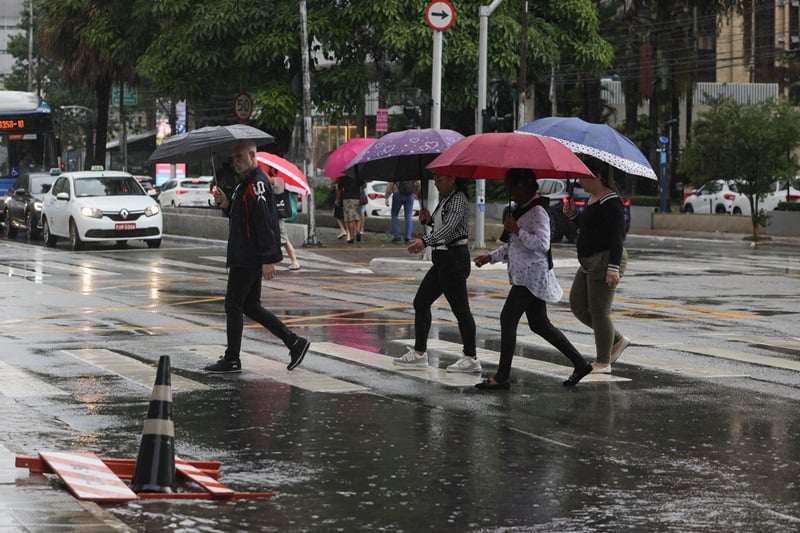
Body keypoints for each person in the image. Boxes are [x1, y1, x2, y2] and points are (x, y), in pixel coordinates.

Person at [473, 169, 593, 390]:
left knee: (507, 319)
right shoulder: (521, 209)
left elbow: (543, 244)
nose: (508, 190)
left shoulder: (538, 211)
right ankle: (580, 363)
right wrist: (490, 257)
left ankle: (502, 377)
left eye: (510, 185)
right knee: (540, 324)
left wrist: (517, 229)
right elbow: (513, 246)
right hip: (525, 275)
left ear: (521, 186)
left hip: (532, 277)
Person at [205, 140, 310, 373]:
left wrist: (267, 259)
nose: (235, 162)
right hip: (246, 253)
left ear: (253, 156)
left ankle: (232, 358)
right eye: (233, 158)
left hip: (249, 255)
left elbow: (266, 223)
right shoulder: (247, 183)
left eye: (239, 157)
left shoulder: (258, 184)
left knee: (233, 304)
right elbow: (244, 216)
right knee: (250, 306)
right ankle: (294, 342)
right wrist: (227, 203)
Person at [394, 174, 480, 373]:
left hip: (454, 260)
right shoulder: (447, 198)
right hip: (443, 260)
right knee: (421, 302)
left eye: (440, 180)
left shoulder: (459, 199)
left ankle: (471, 357)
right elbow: (445, 224)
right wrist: (430, 220)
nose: (436, 183)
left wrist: (425, 241)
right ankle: (419, 353)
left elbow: (450, 229)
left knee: (461, 310)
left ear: (453, 179)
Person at [563, 160, 631, 374]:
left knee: (600, 311)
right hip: (589, 261)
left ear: (599, 176)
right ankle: (617, 340)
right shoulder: (594, 198)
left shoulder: (611, 201)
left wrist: (613, 267)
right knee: (578, 305)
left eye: (584, 176)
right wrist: (573, 215)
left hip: (605, 260)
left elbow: (617, 236)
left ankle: (603, 361)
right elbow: (589, 229)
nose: (580, 181)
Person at [267, 167, 301, 271]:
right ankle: (269, 261)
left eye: (270, 169)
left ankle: (294, 261)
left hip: (278, 216)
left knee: (283, 239)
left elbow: (269, 180)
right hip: (271, 214)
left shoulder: (279, 180)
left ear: (274, 170)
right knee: (270, 239)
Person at [386, 179, 418, 243]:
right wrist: (415, 192)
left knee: (394, 215)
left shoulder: (397, 170)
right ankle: (408, 237)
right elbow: (418, 183)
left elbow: (390, 184)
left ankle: (397, 237)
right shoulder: (413, 171)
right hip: (410, 194)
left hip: (398, 193)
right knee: (408, 216)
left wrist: (387, 196)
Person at [338, 173, 363, 243]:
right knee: (357, 216)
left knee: (350, 219)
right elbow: (364, 185)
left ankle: (351, 237)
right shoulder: (358, 174)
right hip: (357, 198)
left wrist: (337, 199)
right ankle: (358, 231)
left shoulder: (343, 175)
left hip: (347, 198)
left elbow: (339, 188)